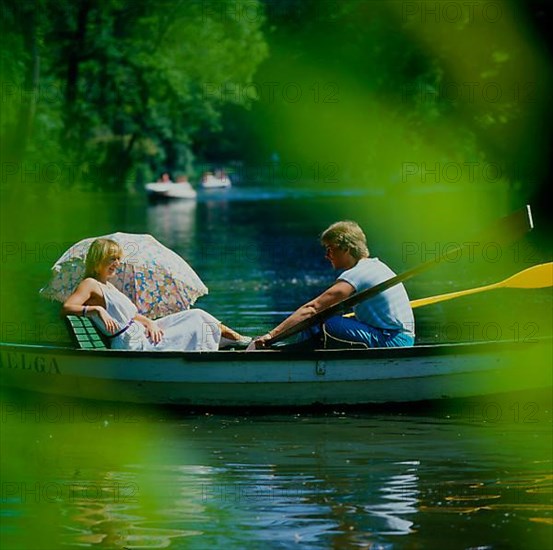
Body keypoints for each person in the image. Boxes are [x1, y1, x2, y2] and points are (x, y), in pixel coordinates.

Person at [62, 238, 251, 351]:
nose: (117, 264)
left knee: (196, 314)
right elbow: (67, 307)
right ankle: (239, 341)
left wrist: (150, 322)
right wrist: (95, 310)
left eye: (118, 259)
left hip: (139, 330)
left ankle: (234, 340)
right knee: (198, 320)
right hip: (132, 343)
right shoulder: (90, 284)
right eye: (112, 259)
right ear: (99, 259)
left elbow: (132, 316)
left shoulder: (109, 286)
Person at [251, 221, 415, 349]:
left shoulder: (358, 273)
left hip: (392, 340)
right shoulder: (376, 266)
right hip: (397, 337)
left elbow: (313, 308)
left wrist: (271, 335)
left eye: (330, 249)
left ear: (346, 249)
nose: (327, 255)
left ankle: (295, 359)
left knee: (316, 320)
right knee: (324, 321)